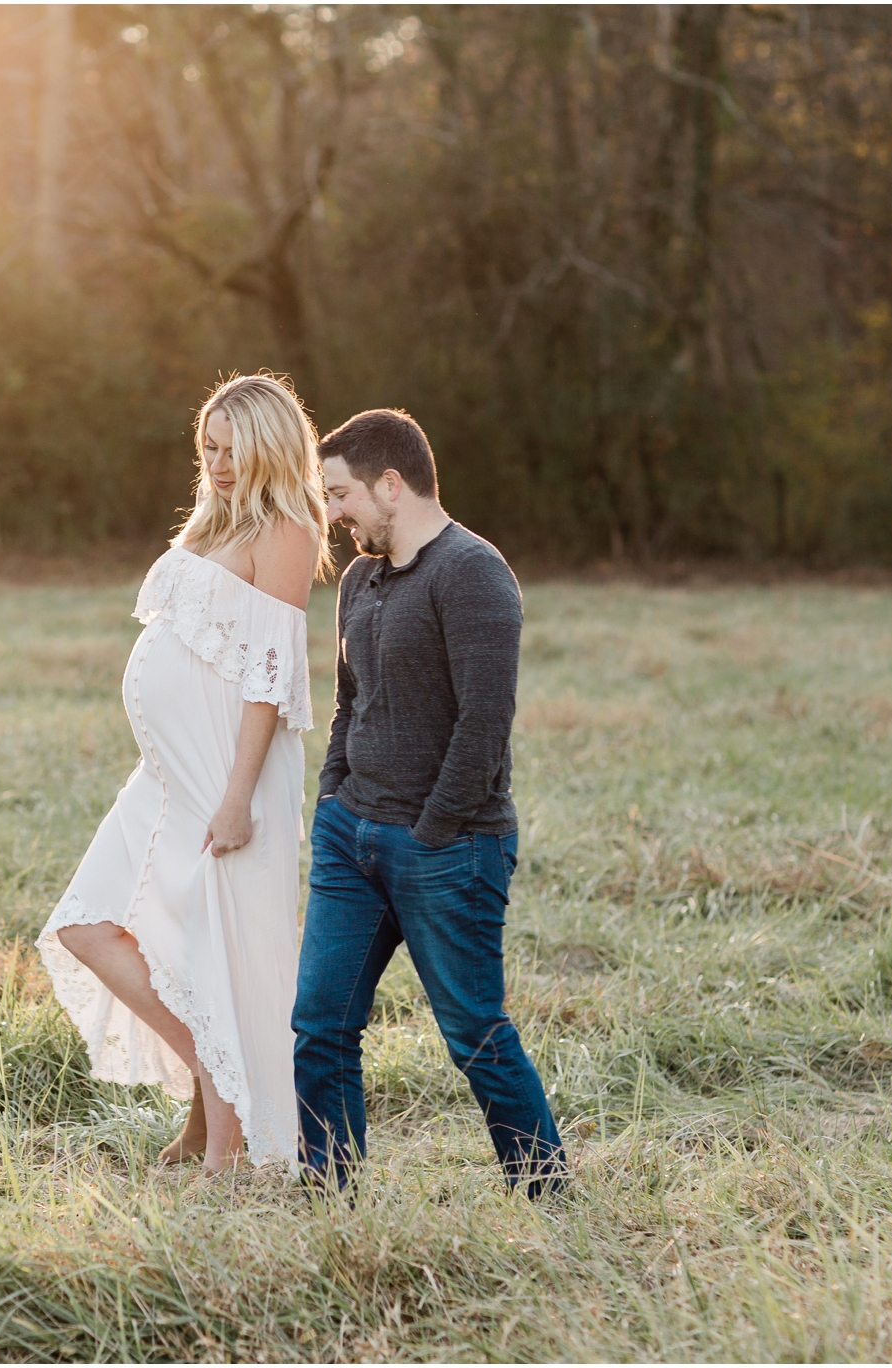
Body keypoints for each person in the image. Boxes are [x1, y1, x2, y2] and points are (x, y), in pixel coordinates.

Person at [37, 374, 332, 1174]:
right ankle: (208, 1074)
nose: (219, 463)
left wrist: (237, 798)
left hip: (224, 774)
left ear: (270, 447)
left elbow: (272, 673)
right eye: (208, 447)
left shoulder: (288, 527)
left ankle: (223, 1152)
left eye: (234, 450)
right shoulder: (214, 522)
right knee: (88, 922)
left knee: (219, 947)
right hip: (167, 775)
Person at [294, 408, 568, 1194]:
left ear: (391, 484)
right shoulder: (359, 580)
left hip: (447, 846)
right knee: (320, 1025)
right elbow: (352, 702)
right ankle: (328, 1192)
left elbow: (486, 722)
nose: (334, 514)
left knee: (474, 1033)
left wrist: (433, 828)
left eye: (341, 495)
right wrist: (332, 799)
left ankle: (546, 1190)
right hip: (352, 838)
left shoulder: (473, 571)